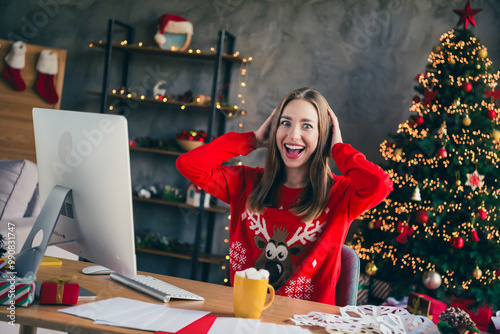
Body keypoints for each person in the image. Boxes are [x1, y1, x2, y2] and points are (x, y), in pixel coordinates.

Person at [176, 87, 392, 305]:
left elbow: (380, 185)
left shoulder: (341, 195)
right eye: (285, 123)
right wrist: (253, 140)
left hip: (307, 323)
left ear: (323, 136)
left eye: (307, 126)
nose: (293, 135)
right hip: (249, 315)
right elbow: (189, 165)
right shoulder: (245, 183)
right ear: (273, 129)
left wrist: (337, 149)